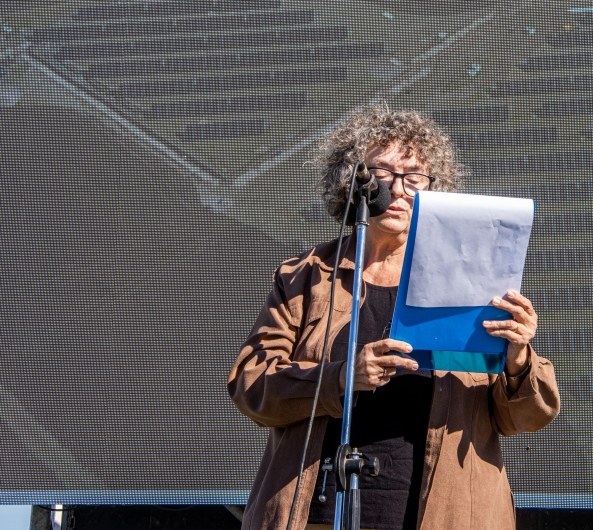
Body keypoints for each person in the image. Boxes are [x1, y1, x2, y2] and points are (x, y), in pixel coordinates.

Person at [228, 105, 560, 530]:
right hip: (316, 514)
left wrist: (517, 359)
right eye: (381, 174)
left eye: (414, 178)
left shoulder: (474, 277)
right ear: (351, 184)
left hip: (445, 514)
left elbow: (527, 417)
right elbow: (252, 385)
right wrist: (341, 377)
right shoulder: (305, 277)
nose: (398, 189)